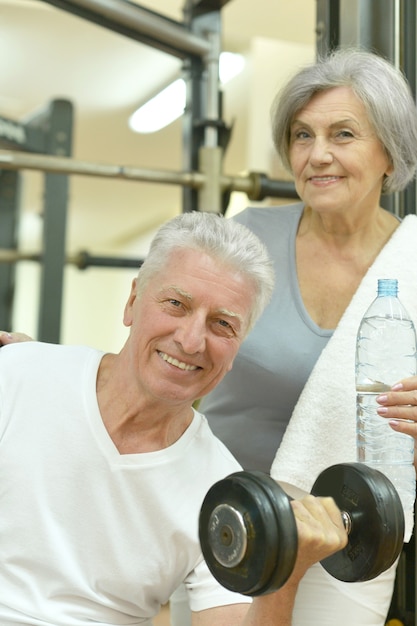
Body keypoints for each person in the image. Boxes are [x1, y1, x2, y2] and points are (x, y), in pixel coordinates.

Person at [0, 210, 349, 626]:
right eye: (175, 305)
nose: (190, 341)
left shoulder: (221, 492)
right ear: (132, 302)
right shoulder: (18, 375)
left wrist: (284, 579)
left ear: (238, 348)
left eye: (222, 324)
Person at [195, 48, 417, 626]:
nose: (318, 155)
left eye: (343, 134)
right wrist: (63, 370)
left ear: (390, 154)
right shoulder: (247, 239)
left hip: (352, 530)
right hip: (227, 510)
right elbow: (170, 344)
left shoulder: (415, 265)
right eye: (302, 135)